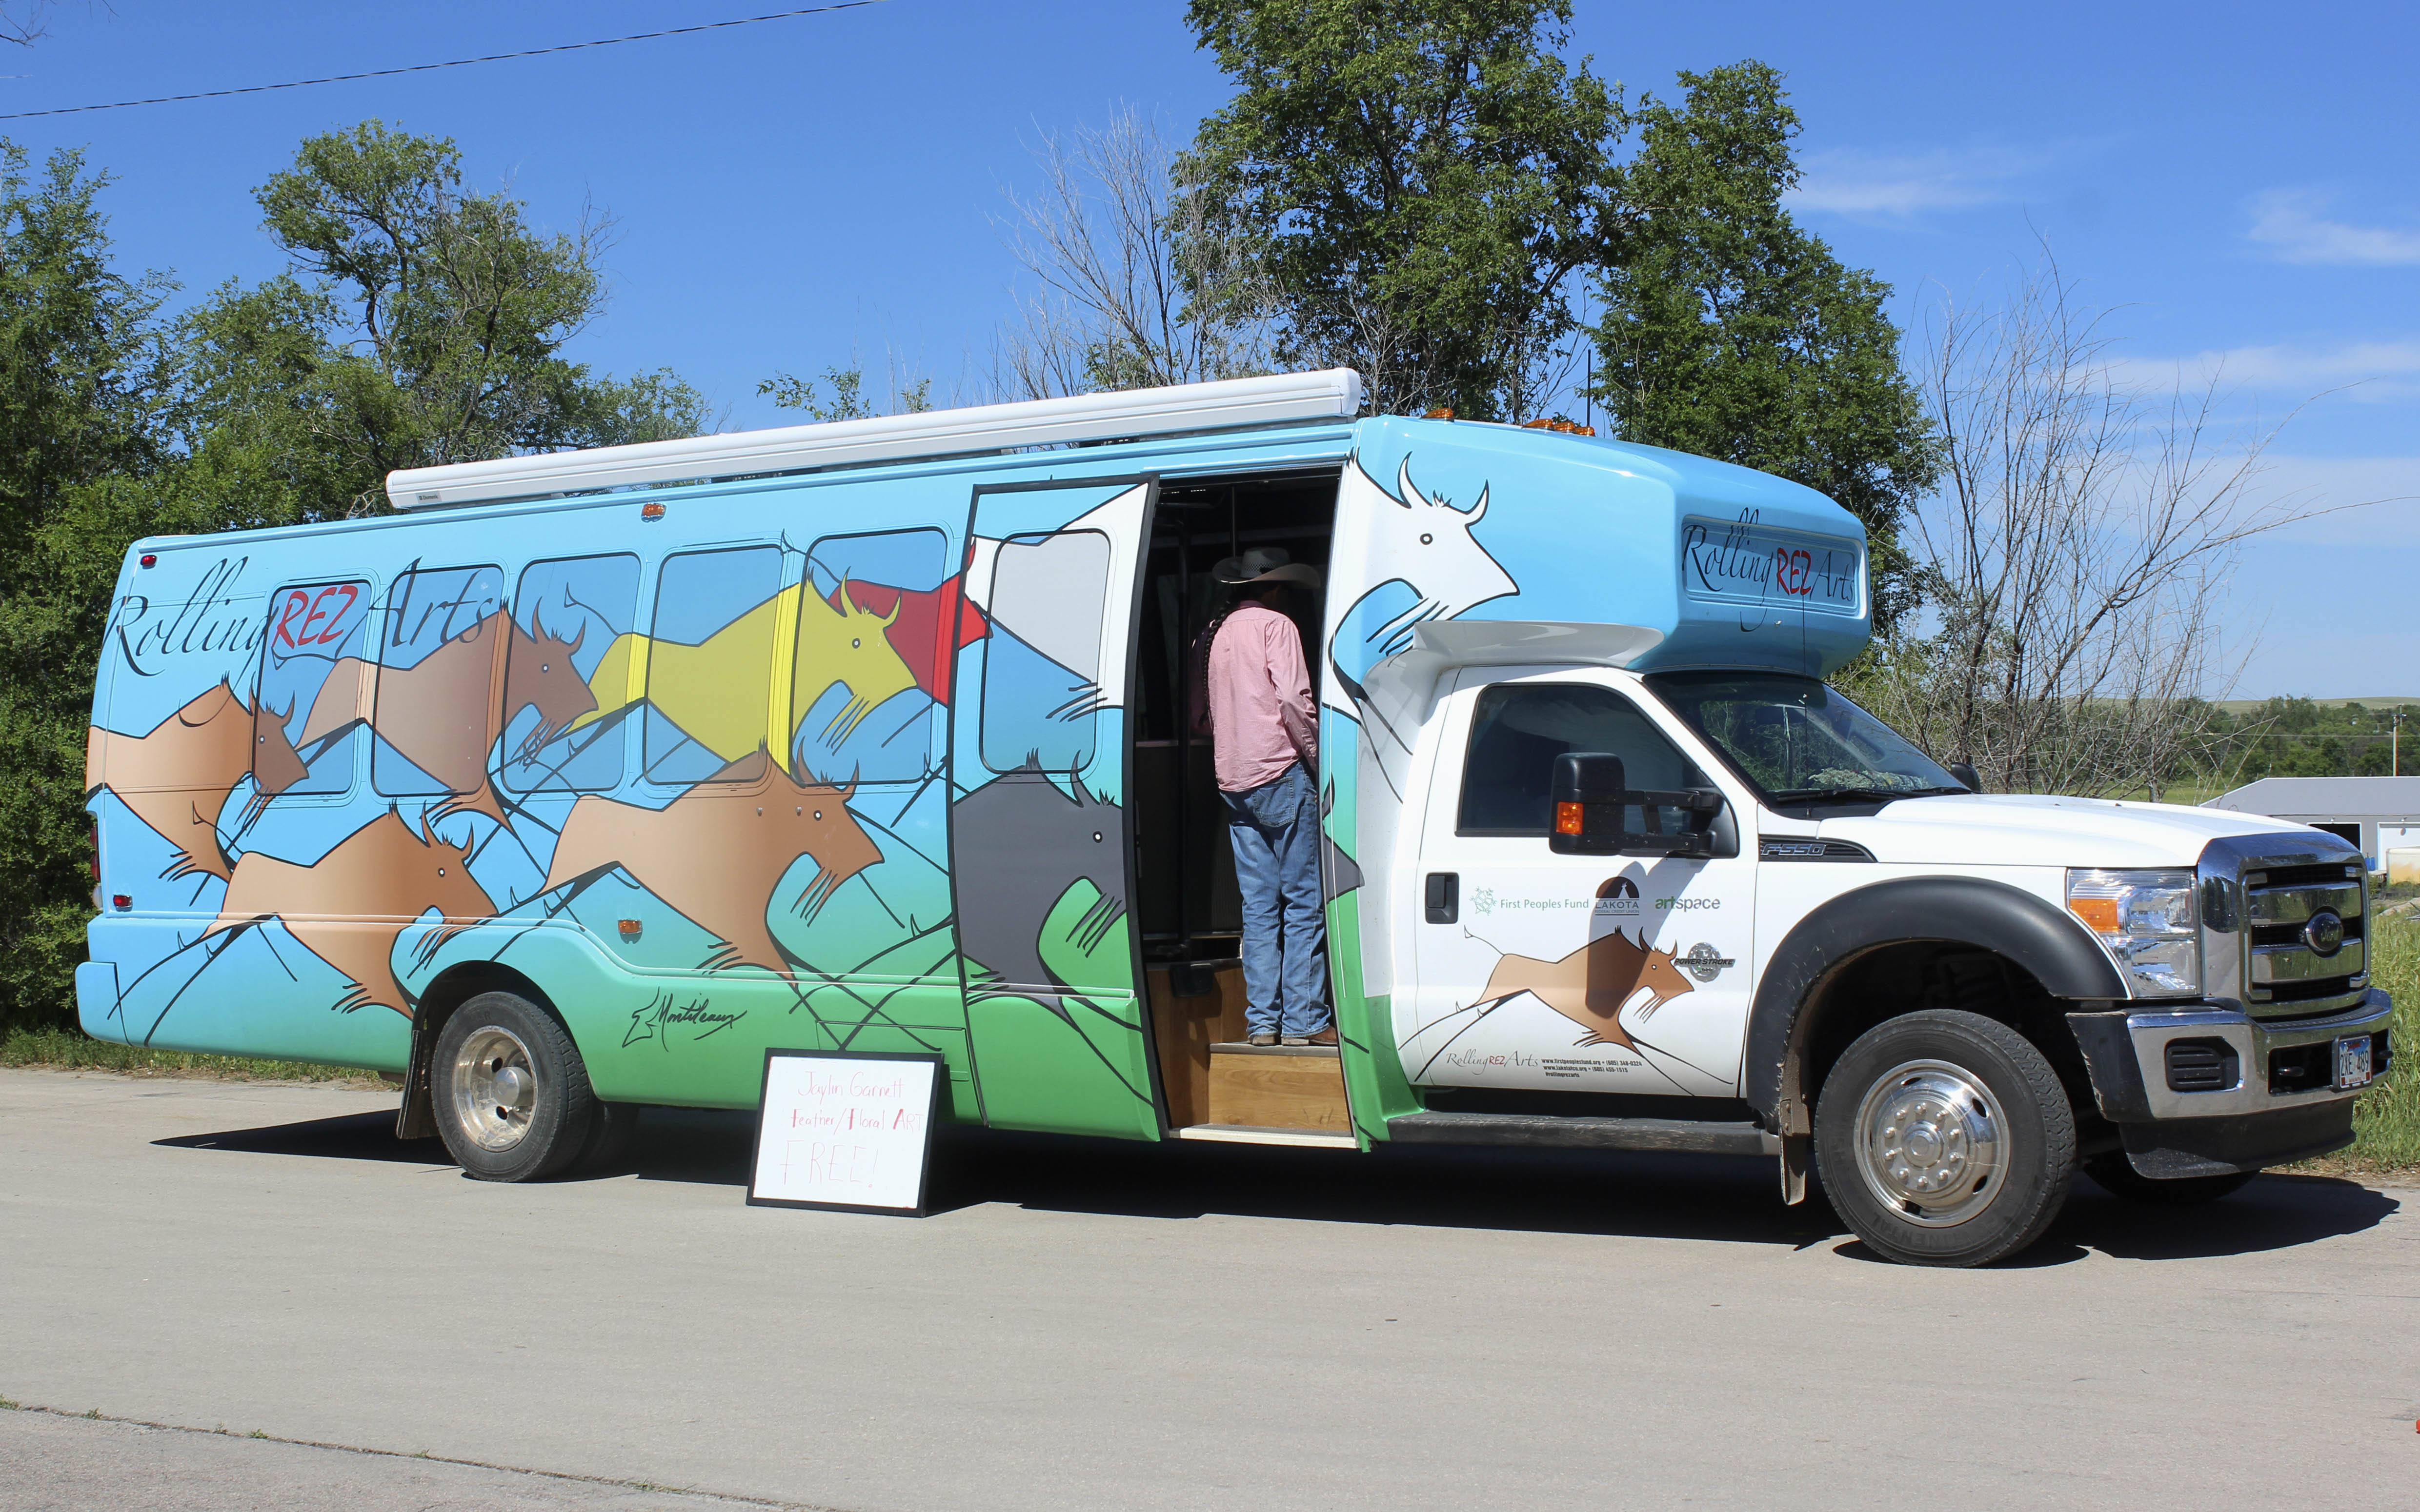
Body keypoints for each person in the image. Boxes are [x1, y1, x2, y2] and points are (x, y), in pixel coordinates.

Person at [1193, 548, 1333, 1048]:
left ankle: (1262, 1024)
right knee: (1302, 902)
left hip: (1233, 780)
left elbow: (1201, 717)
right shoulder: (1277, 626)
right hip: (1280, 770)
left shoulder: (1213, 634)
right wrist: (1317, 758)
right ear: (1275, 589)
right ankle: (1305, 1021)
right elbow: (1295, 701)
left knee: (1258, 908)